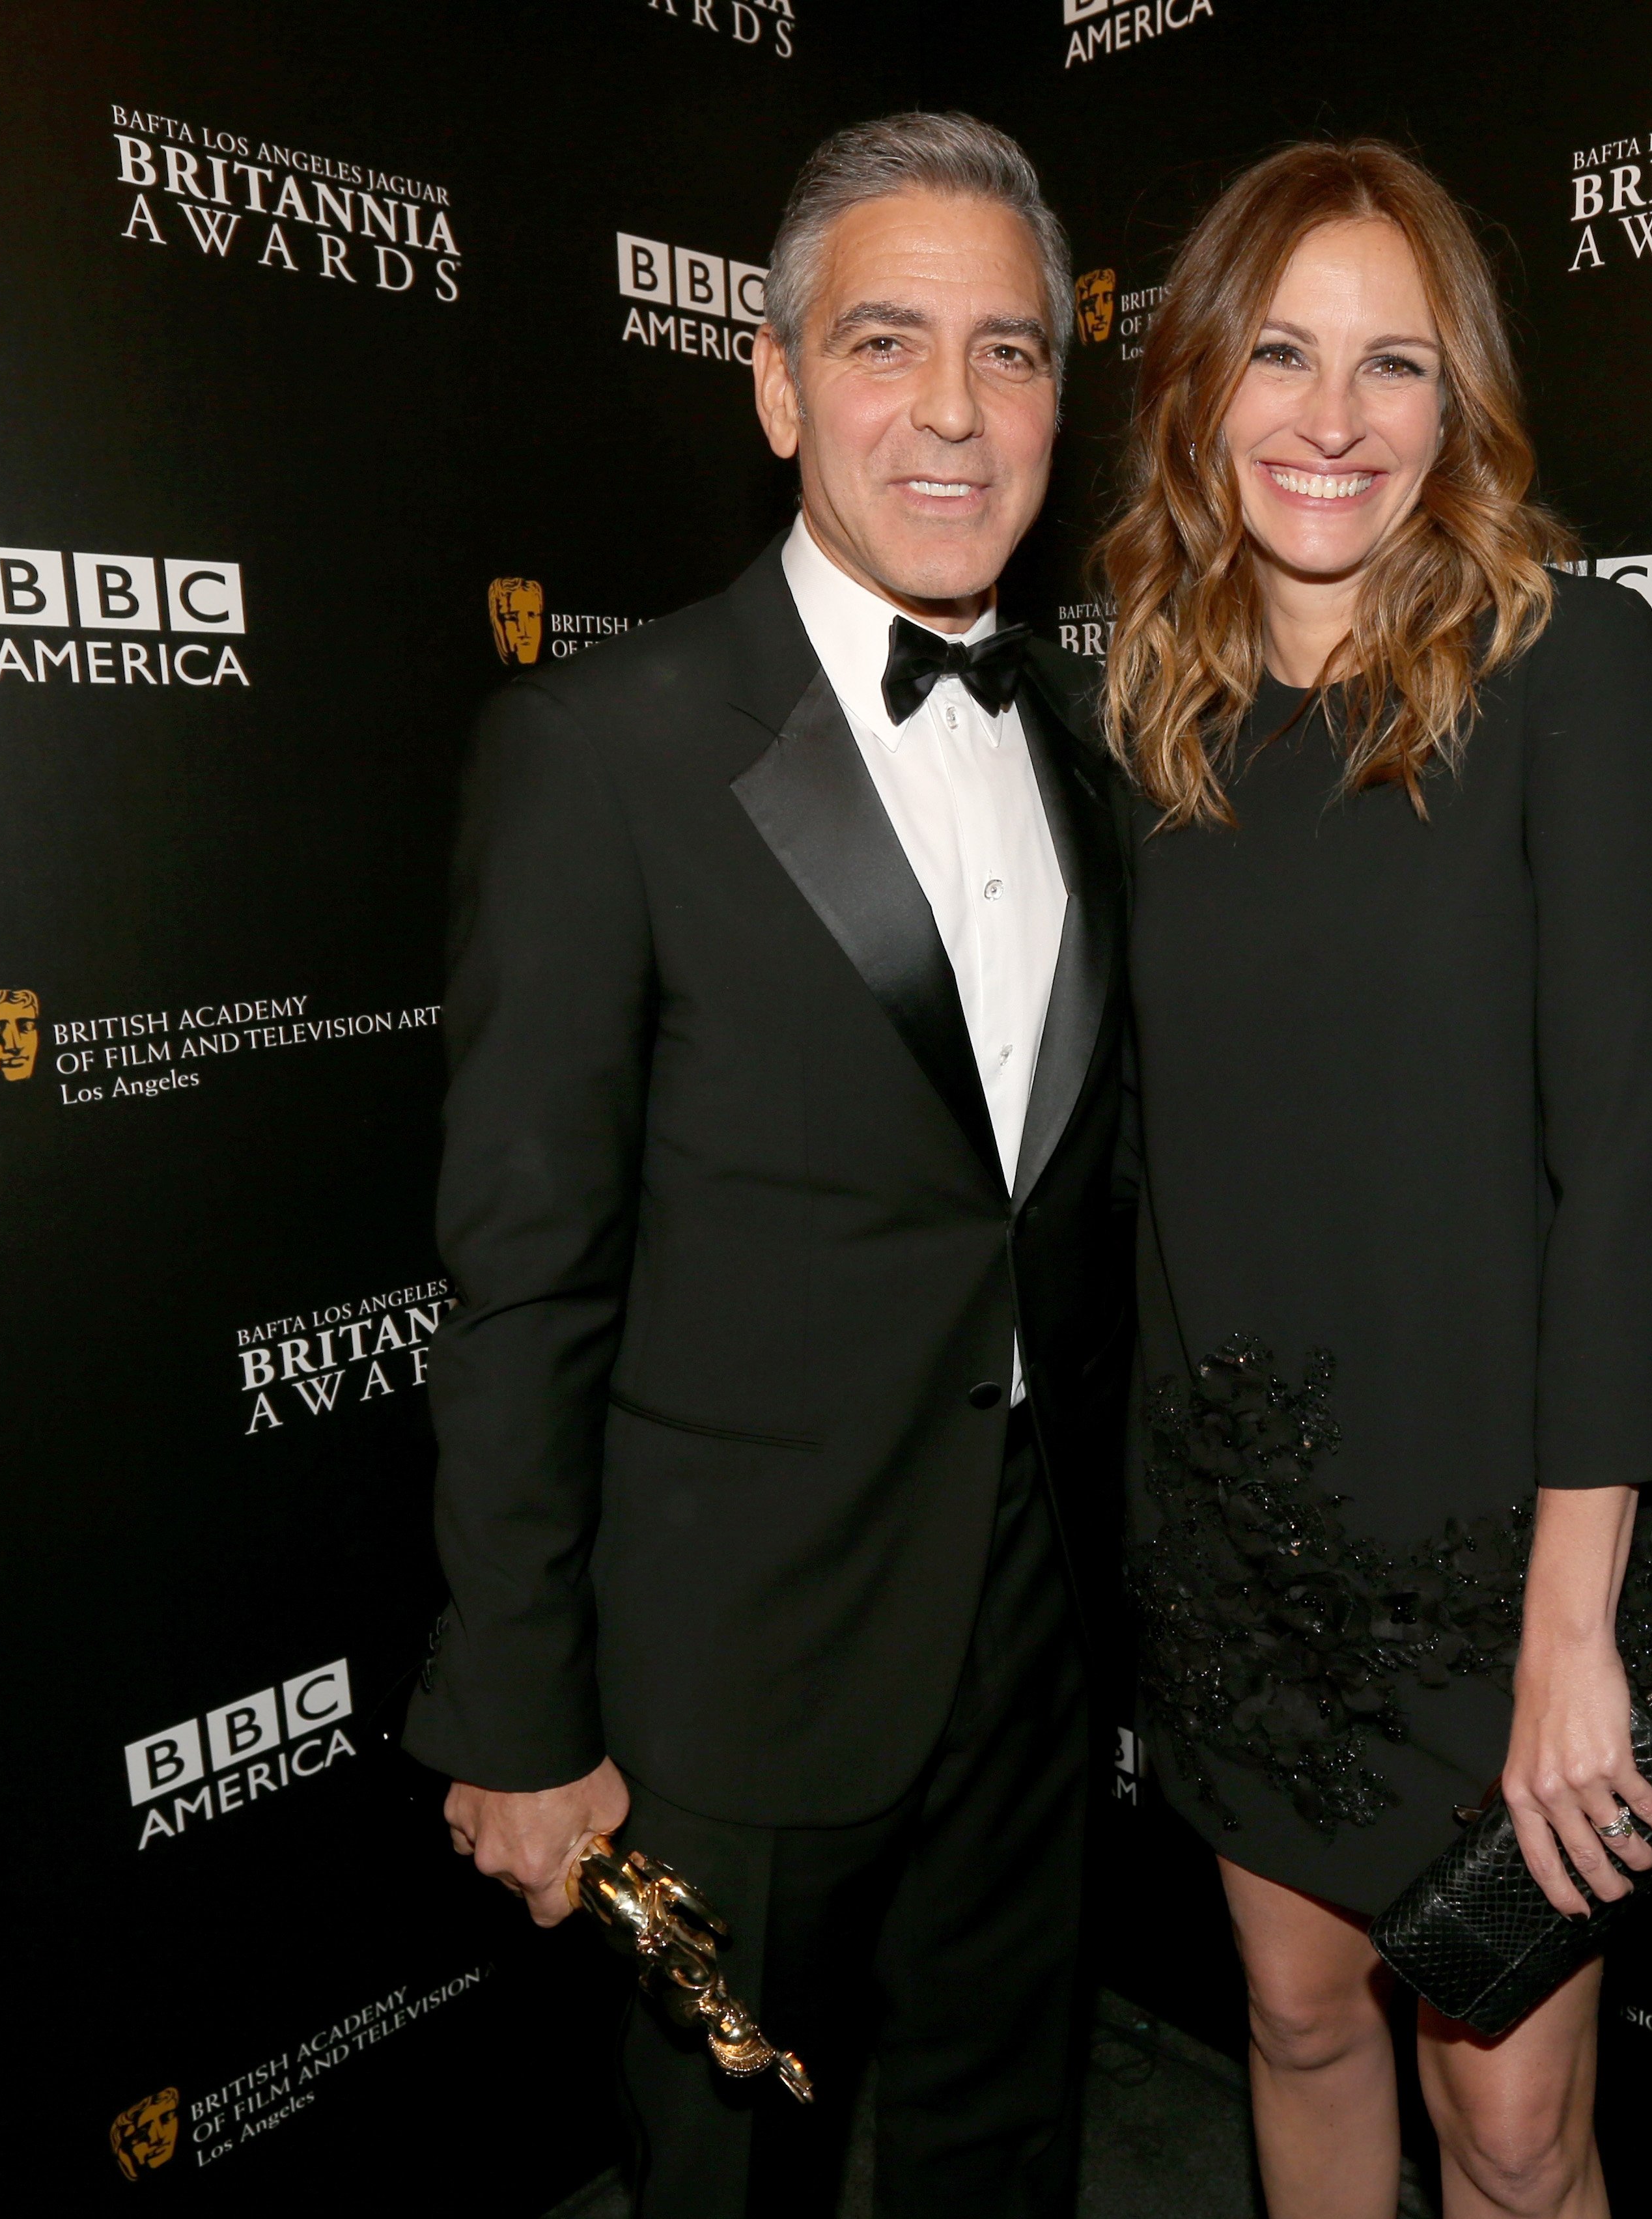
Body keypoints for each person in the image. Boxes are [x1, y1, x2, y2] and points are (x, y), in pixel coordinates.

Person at [404, 112, 1128, 2219]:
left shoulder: (1076, 743)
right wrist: (520, 1713)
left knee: (1013, 2151)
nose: (953, 411)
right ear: (779, 379)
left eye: (1009, 353)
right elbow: (524, 1266)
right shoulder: (603, 747)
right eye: (887, 342)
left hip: (1031, 1624)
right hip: (727, 1669)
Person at [1100, 140, 1652, 2219]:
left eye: (1393, 364)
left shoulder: (1563, 675)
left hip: (1513, 1560)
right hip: (1238, 1544)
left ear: (1456, 399)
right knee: (1298, 2021)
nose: (1334, 419)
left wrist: (1573, 1630)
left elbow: (1628, 1168)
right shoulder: (1144, 713)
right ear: (1203, 383)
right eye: (1284, 354)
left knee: (1508, 2125)